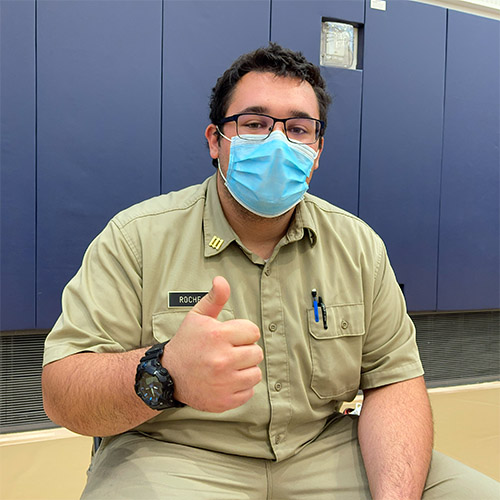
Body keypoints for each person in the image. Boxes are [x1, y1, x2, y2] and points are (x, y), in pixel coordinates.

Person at [42, 43, 498, 499]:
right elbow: (63, 393)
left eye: (299, 128)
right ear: (215, 141)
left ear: (317, 151)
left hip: (323, 450)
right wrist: (166, 371)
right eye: (255, 124)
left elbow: (394, 381)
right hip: (174, 455)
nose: (278, 143)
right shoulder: (136, 238)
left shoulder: (358, 246)